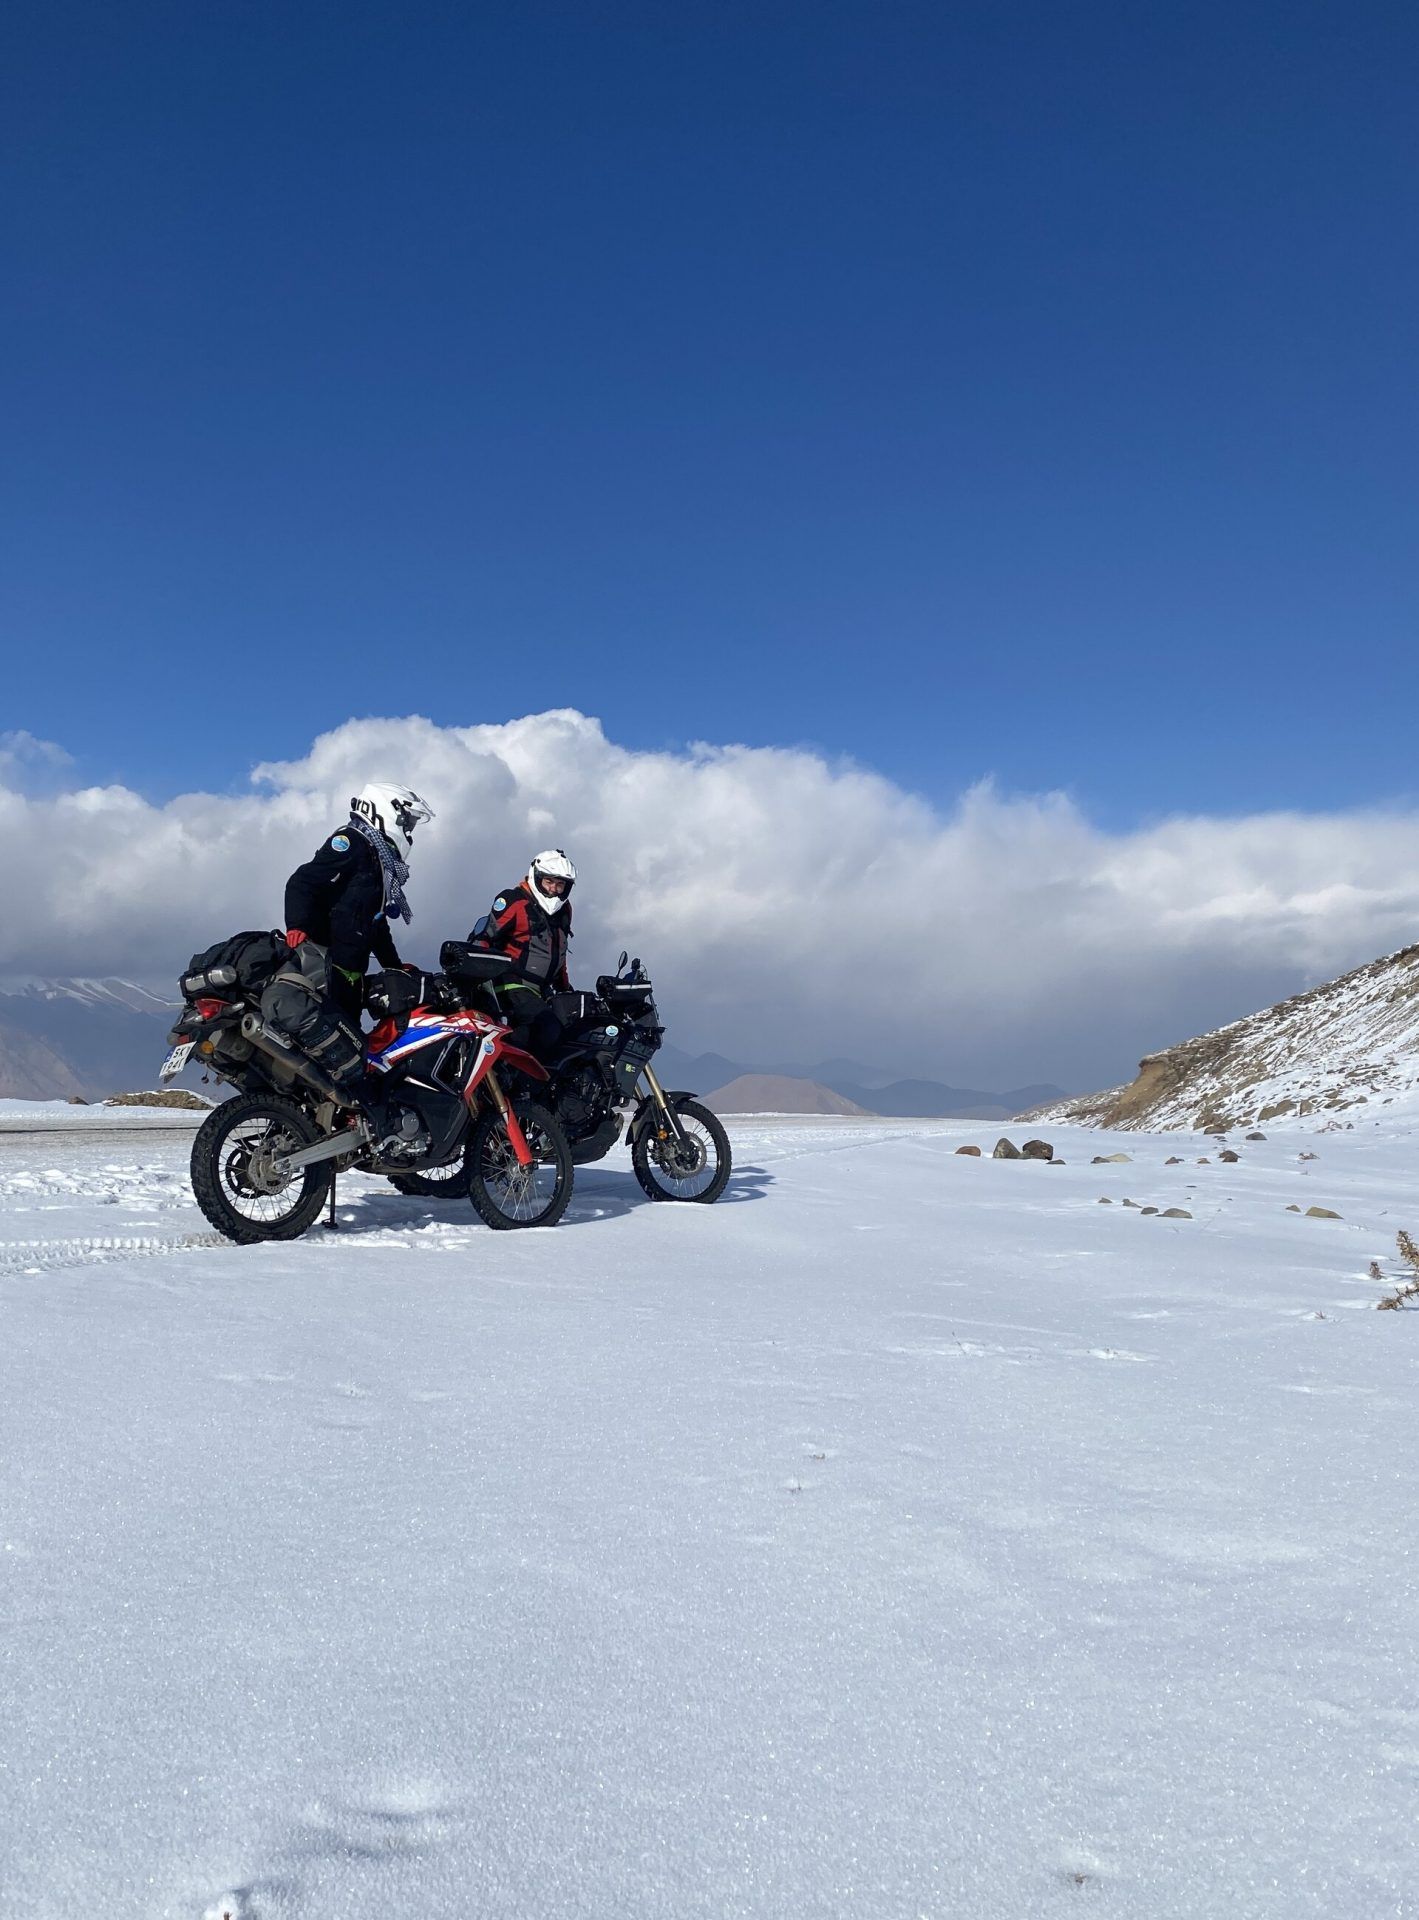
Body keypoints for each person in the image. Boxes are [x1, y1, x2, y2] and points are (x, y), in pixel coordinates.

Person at [284, 782, 434, 1026]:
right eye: (407, 821)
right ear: (386, 811)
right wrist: (297, 925)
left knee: (351, 1043)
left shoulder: (378, 859)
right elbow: (302, 881)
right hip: (327, 965)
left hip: (352, 973)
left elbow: (375, 922)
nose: (409, 829)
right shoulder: (351, 841)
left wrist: (394, 967)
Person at [473, 848, 580, 1055]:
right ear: (537, 877)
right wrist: (483, 984)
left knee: (572, 1030)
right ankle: (520, 1080)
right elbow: (484, 940)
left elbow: (559, 950)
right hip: (512, 984)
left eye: (560, 885)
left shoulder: (565, 910)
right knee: (545, 1028)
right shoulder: (514, 901)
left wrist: (566, 989)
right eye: (549, 882)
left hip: (543, 989)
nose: (553, 889)